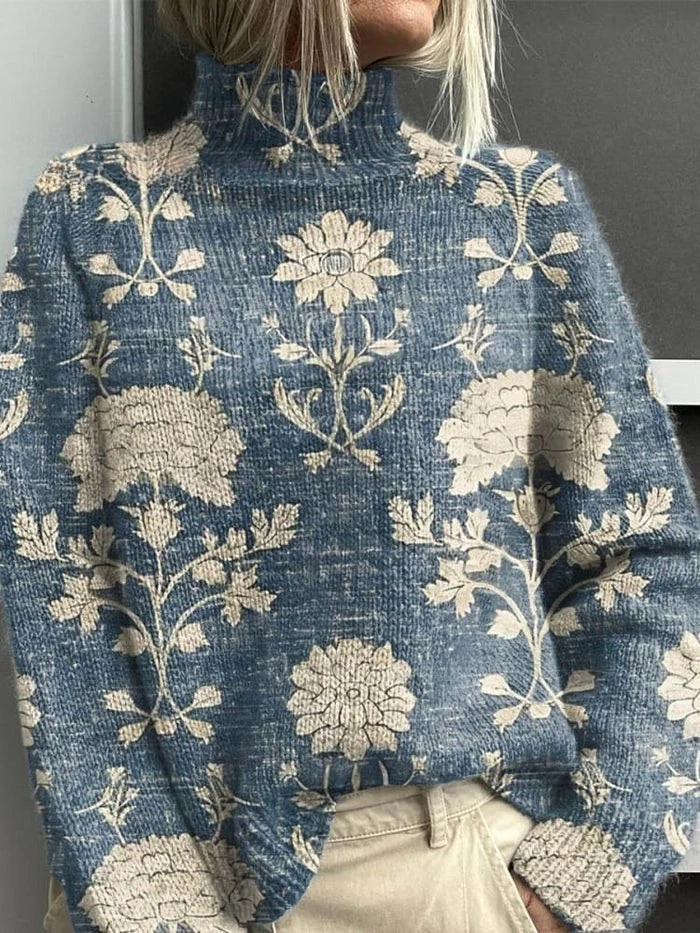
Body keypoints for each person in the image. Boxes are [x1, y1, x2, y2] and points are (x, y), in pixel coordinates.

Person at [1, 1, 698, 931]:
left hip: (460, 876)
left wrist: (573, 879)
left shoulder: (519, 214)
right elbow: (56, 576)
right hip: (169, 887)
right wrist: (150, 906)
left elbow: (639, 553)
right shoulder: (94, 217)